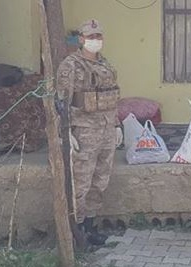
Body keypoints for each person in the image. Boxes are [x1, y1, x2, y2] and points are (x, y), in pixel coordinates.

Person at [56, 19, 123, 245]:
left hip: (105, 130)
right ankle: (75, 232)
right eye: (91, 37)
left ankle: (90, 228)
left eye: (98, 36)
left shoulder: (106, 65)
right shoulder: (71, 66)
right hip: (83, 131)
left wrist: (116, 125)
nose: (95, 40)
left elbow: (112, 99)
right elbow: (61, 102)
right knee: (80, 184)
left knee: (100, 181)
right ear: (81, 39)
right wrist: (66, 133)